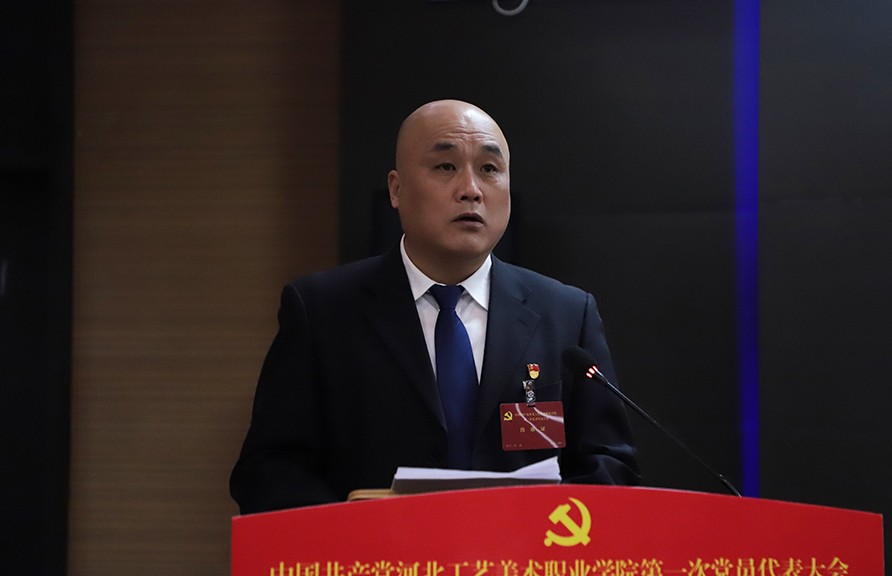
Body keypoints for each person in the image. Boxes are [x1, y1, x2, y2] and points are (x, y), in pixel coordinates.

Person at [230, 100, 639, 516]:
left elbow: (609, 464)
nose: (471, 189)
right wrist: (358, 533)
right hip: (375, 554)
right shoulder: (322, 310)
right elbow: (270, 470)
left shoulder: (566, 314)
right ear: (396, 189)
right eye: (446, 166)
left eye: (489, 169)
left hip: (525, 554)